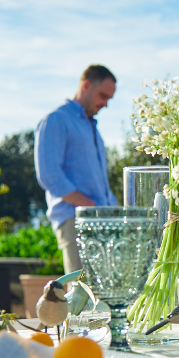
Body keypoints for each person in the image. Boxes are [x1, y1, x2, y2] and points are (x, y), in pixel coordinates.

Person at [34, 65, 118, 273]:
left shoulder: (92, 129)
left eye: (109, 99)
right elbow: (50, 175)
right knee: (82, 298)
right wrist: (90, 207)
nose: (105, 104)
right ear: (86, 85)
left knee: (104, 299)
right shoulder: (56, 120)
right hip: (76, 222)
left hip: (100, 221)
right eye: (103, 96)